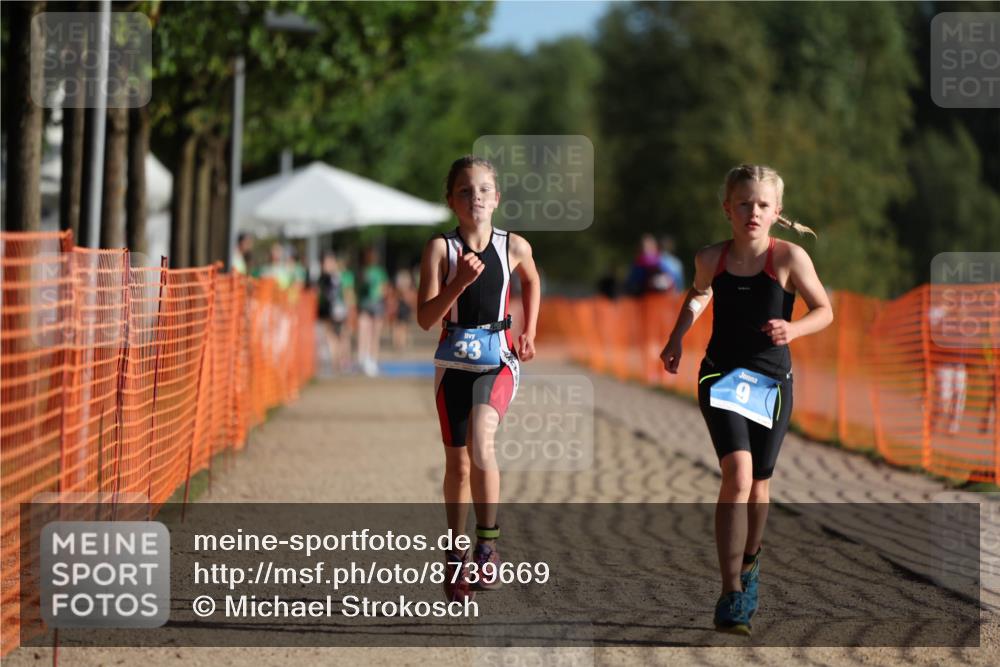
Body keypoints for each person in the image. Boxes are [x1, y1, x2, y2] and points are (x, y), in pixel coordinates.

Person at [659, 164, 833, 635]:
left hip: (773, 382)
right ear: (727, 210)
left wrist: (793, 328)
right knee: (736, 475)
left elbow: (825, 310)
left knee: (759, 483)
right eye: (744, 204)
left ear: (776, 212)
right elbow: (698, 295)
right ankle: (732, 590)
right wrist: (677, 337)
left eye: (762, 205)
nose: (752, 212)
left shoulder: (789, 259)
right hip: (720, 374)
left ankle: (752, 559)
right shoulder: (710, 257)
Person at [417, 155, 540, 603]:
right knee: (457, 464)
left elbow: (532, 278)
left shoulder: (514, 246)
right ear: (451, 200)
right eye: (466, 191)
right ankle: (455, 555)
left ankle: (487, 546)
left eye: (484, 190)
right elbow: (426, 318)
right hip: (452, 362)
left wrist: (528, 329)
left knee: (482, 441)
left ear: (497, 198)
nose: (476, 198)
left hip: (498, 359)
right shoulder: (440, 250)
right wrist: (457, 285)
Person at [317, 251, 353, 374]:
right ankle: (338, 362)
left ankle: (342, 361)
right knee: (333, 337)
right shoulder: (324, 277)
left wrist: (350, 309)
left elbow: (348, 293)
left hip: (339, 310)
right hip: (329, 311)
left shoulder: (339, 276)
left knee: (342, 336)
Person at [356, 246, 388, 377]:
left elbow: (384, 288)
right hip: (367, 304)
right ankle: (364, 359)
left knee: (373, 333)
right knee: (366, 332)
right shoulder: (363, 271)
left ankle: (371, 360)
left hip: (375, 303)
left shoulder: (379, 272)